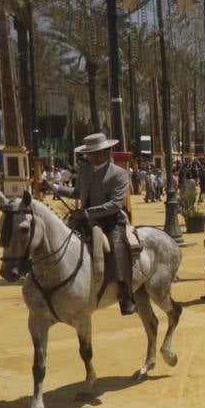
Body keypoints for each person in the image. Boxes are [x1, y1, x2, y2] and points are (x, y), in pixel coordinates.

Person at [54, 132, 137, 315]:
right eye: (91, 153)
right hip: (82, 219)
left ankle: (126, 294)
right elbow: (78, 193)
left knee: (117, 248)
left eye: (98, 152)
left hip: (111, 221)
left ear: (107, 152)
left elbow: (116, 204)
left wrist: (86, 213)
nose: (95, 156)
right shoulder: (83, 170)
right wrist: (57, 188)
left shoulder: (119, 174)